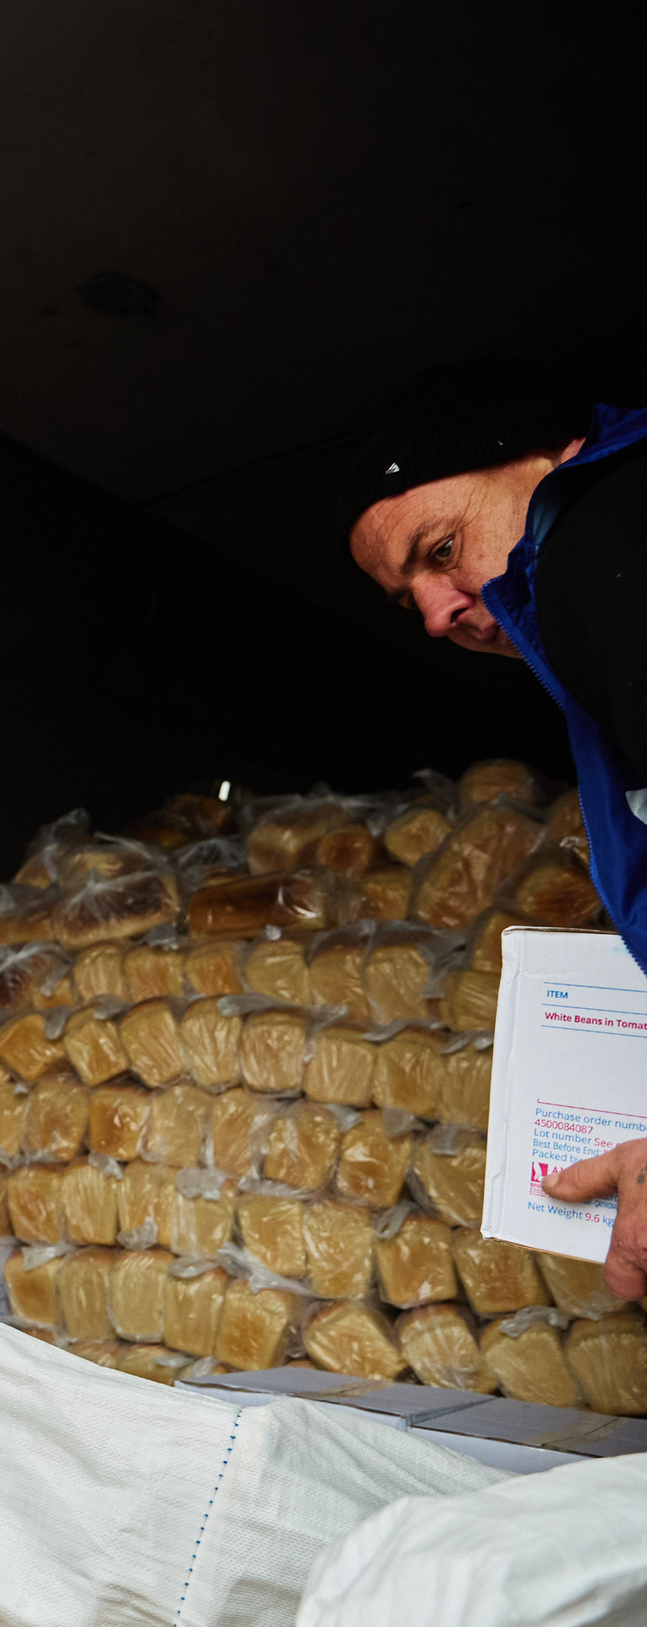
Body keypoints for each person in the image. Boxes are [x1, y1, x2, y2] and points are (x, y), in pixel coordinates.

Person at [339, 359, 647, 1297]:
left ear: (552, 461)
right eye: (407, 597)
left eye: (440, 551)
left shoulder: (613, 537)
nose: (434, 615)